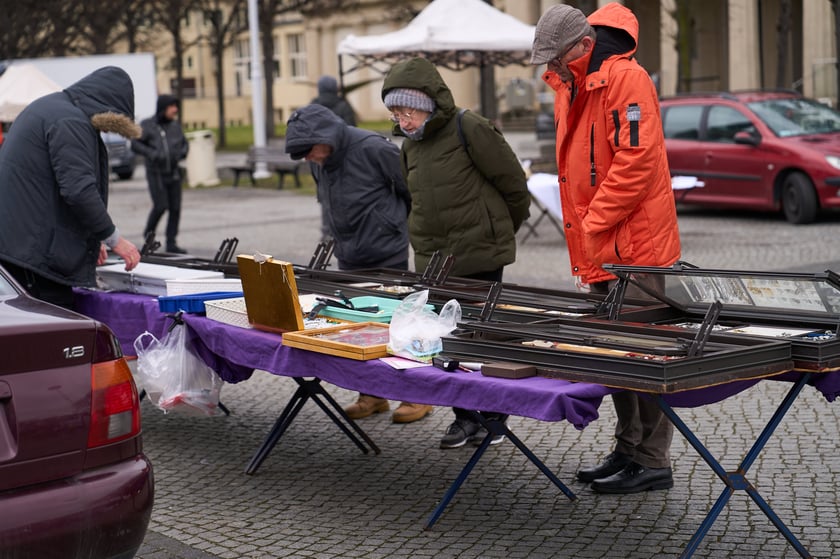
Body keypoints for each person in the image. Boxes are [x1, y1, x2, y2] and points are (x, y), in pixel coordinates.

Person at [530, 3, 682, 493]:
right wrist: (586, 235)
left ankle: (652, 460)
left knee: (643, 355)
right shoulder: (570, 84)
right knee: (613, 355)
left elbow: (635, 162)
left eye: (557, 57)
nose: (551, 67)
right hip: (601, 246)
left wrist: (591, 223)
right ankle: (628, 448)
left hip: (637, 248)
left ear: (584, 44)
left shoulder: (626, 79)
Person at [381, 57, 531, 449]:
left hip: (480, 257)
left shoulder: (469, 127)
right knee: (444, 340)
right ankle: (463, 418)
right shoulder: (409, 146)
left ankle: (493, 417)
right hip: (434, 261)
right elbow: (414, 197)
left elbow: (513, 184)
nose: (403, 121)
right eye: (396, 114)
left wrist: (496, 231)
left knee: (481, 339)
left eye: (408, 112)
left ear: (428, 104)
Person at [284, 103, 432, 424]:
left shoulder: (373, 148)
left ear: (325, 138)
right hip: (349, 253)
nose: (307, 158)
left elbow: (413, 192)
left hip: (387, 251)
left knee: (399, 323)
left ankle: (416, 395)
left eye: (308, 151)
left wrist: (395, 227)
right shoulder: (320, 160)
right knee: (357, 328)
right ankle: (372, 394)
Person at [0, 66, 142, 310]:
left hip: (19, 246)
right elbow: (79, 190)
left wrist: (92, 240)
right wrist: (114, 238)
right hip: (32, 257)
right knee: (51, 322)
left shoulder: (54, 108)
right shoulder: (71, 121)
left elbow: (52, 189)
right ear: (108, 107)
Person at [131, 94, 189, 254]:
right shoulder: (148, 125)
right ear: (163, 108)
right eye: (172, 106)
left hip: (174, 172)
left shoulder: (175, 126)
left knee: (175, 208)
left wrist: (182, 152)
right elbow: (135, 144)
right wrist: (152, 154)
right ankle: (148, 237)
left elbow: (185, 144)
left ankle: (171, 243)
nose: (175, 110)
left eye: (176, 106)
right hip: (156, 173)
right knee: (160, 206)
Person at [310, 76, 357, 241]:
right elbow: (352, 130)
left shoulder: (313, 107)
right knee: (344, 193)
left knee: (325, 194)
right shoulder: (343, 106)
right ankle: (343, 230)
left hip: (318, 158)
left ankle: (326, 231)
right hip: (341, 157)